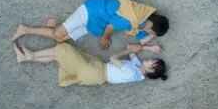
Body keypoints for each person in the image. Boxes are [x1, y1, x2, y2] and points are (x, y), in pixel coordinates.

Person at [11, 0, 169, 50]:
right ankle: (24, 29)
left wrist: (151, 44)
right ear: (150, 25)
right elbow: (110, 27)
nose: (149, 33)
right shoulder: (131, 21)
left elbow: (141, 35)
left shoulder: (143, 15)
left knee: (60, 39)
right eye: (151, 31)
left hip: (96, 22)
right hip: (91, 11)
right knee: (57, 34)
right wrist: (105, 38)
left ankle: (52, 26)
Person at [12, 40, 167, 87]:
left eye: (151, 62)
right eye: (152, 59)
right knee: (59, 56)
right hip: (96, 69)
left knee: (64, 49)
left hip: (95, 72)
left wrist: (126, 51)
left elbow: (114, 58)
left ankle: (30, 56)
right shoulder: (138, 69)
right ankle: (27, 57)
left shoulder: (132, 72)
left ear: (150, 70)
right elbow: (132, 50)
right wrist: (148, 47)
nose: (149, 59)